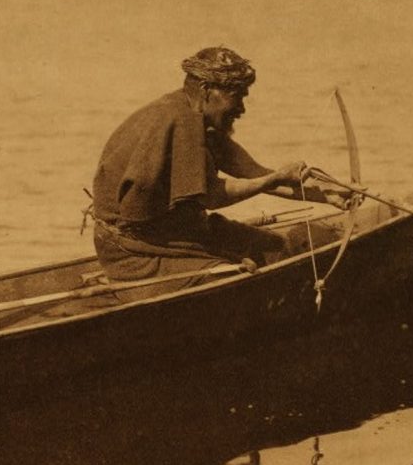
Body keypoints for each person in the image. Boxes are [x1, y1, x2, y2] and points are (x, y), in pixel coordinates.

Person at [89, 46, 349, 296]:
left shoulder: (198, 115)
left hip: (172, 231)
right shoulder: (182, 121)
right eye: (236, 96)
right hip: (135, 252)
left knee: (273, 249)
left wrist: (324, 194)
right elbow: (213, 196)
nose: (241, 109)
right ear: (206, 90)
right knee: (232, 280)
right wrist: (276, 178)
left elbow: (253, 173)